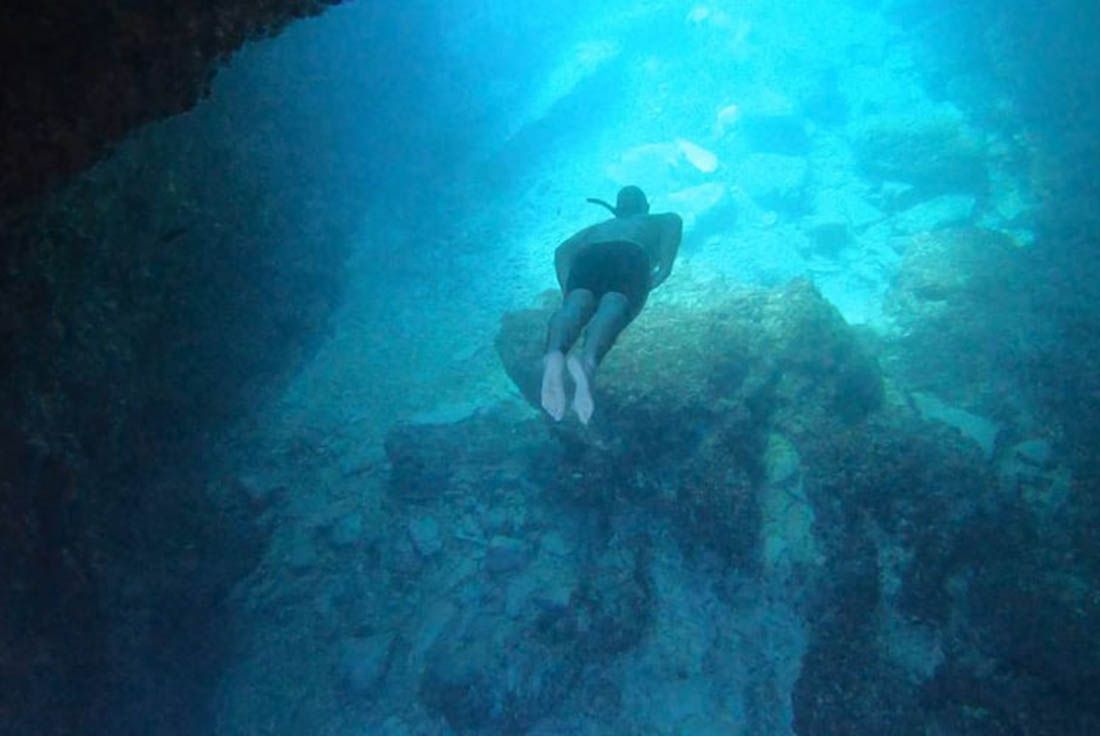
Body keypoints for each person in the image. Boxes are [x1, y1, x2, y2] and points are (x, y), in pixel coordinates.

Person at [540, 185, 682, 425]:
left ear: (616, 210)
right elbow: (673, 224)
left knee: (575, 305)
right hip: (630, 253)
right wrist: (664, 268)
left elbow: (562, 251)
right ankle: (587, 364)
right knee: (614, 303)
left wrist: (567, 289)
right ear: (645, 206)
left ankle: (553, 356)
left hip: (589, 255)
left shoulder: (596, 229)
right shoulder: (658, 218)